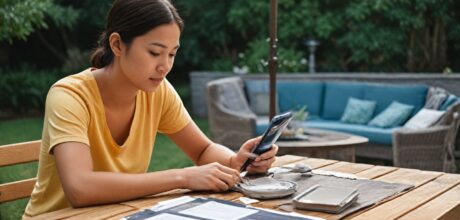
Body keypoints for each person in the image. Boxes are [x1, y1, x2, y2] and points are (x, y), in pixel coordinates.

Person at [24, 0, 278, 217]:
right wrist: (182, 177)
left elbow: (202, 149)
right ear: (117, 45)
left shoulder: (157, 91)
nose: (164, 66)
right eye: (155, 52)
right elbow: (80, 187)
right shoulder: (69, 96)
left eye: (172, 54)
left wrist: (235, 161)